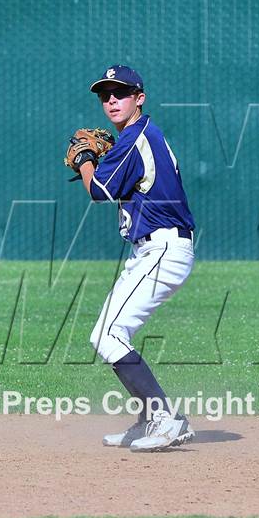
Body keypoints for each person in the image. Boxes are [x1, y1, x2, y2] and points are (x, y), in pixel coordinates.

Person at [77, 65, 196, 452]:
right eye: (105, 94)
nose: (111, 99)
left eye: (121, 92)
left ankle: (165, 418)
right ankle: (151, 419)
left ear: (139, 97)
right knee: (107, 334)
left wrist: (84, 160)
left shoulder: (135, 137)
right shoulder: (138, 136)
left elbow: (99, 191)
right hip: (153, 249)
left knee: (108, 335)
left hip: (162, 249)